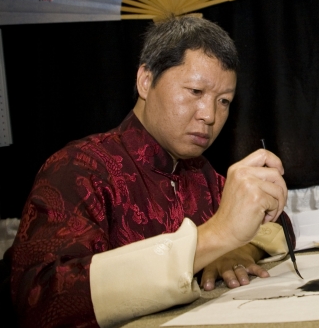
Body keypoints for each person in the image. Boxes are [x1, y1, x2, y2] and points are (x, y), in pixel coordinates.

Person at [9, 16, 290, 327]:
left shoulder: (202, 174)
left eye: (223, 101)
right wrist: (215, 237)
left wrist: (239, 250)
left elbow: (276, 224)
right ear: (145, 80)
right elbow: (41, 298)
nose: (210, 115)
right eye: (195, 91)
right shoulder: (80, 169)